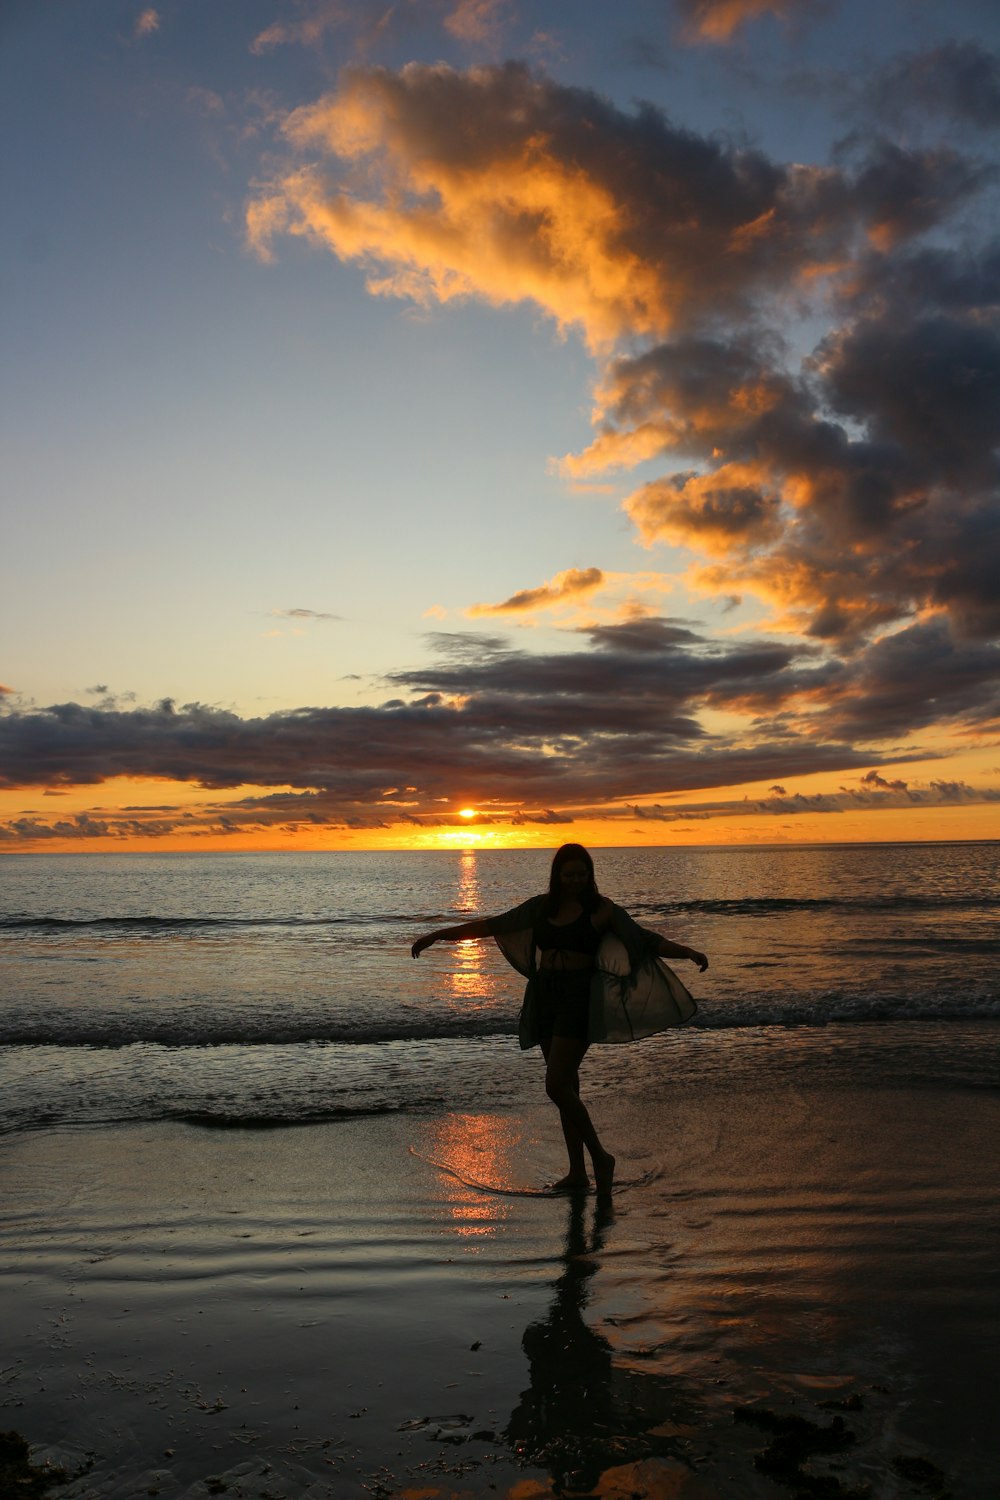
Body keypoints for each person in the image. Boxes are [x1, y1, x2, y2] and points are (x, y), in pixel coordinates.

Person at [411, 843, 708, 1198]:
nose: (575, 881)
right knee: (567, 1087)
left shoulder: (601, 910)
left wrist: (686, 952)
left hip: (577, 1000)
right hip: (544, 996)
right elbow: (494, 924)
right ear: (557, 875)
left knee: (555, 1086)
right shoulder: (542, 907)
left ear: (590, 875)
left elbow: (644, 940)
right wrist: (440, 935)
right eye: (569, 875)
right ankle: (577, 1173)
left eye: (582, 874)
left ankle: (601, 1158)